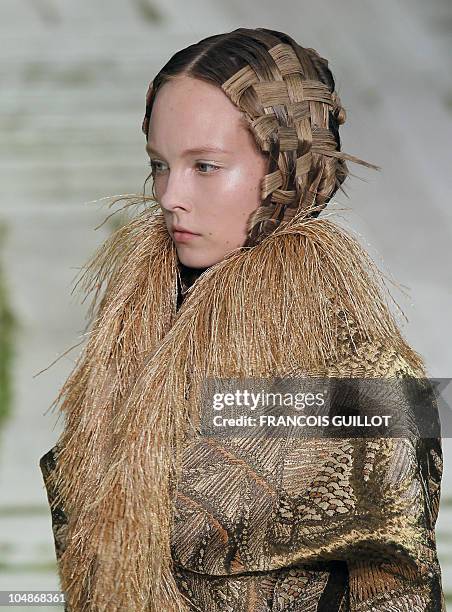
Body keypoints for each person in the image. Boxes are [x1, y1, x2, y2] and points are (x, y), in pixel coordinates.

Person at [39, 27, 445, 611]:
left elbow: (400, 589)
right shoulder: (135, 330)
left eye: (205, 166)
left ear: (285, 167)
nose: (169, 195)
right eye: (159, 165)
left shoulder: (365, 374)